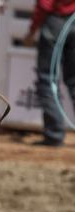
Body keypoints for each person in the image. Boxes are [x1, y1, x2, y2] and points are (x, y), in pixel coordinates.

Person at [23, 0, 75, 146]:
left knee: (47, 80)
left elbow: (45, 4)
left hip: (56, 21)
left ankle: (54, 134)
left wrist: (32, 30)